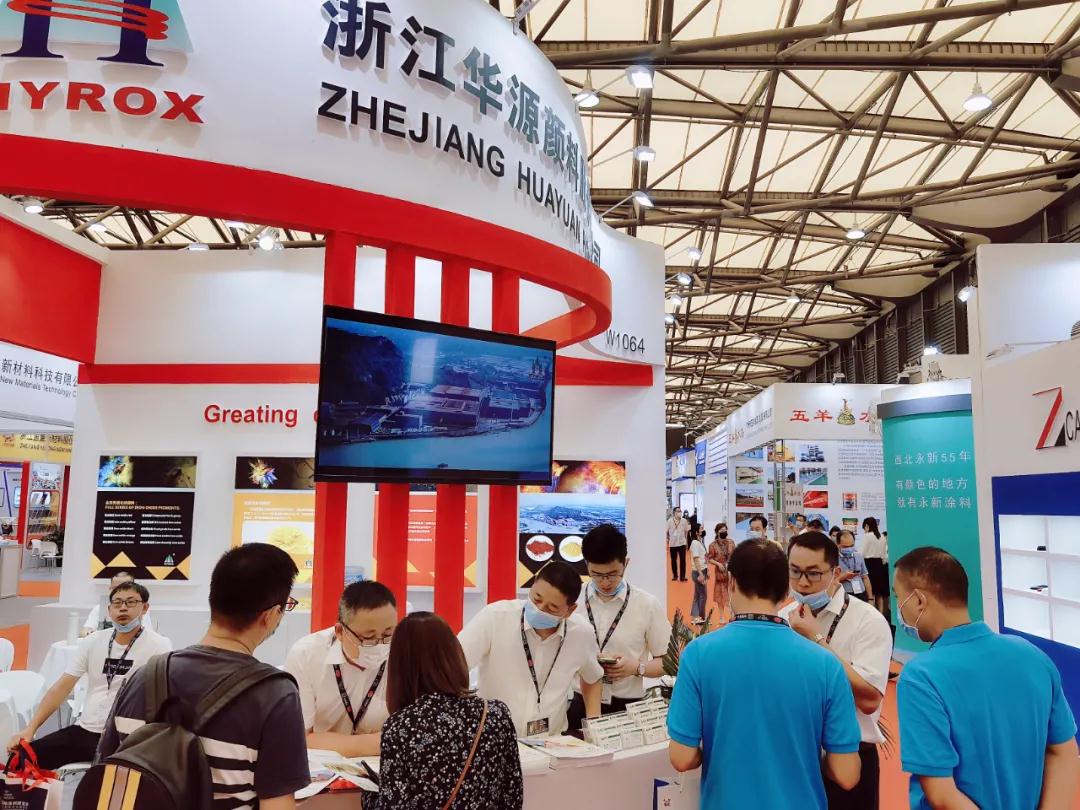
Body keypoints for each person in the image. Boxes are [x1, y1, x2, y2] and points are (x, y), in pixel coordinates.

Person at [98, 544, 310, 809]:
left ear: (213, 601)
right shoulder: (275, 695)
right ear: (269, 615)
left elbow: (105, 770)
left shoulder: (143, 675)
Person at [667, 539, 861, 808]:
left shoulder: (698, 655)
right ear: (785, 590)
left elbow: (682, 758)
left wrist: (713, 750)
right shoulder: (826, 664)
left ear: (731, 582)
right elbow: (847, 773)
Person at [895, 547, 1079, 810]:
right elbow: (1064, 752)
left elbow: (942, 794)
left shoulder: (921, 677)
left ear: (918, 601)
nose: (899, 610)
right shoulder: (1032, 655)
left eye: (898, 598)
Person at [363, 612, 522, 809]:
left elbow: (393, 806)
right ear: (455, 655)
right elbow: (512, 796)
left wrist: (368, 795)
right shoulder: (496, 714)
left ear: (400, 666)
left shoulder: (400, 727)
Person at [7, 581, 170, 770]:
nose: (123, 608)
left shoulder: (159, 645)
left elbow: (163, 697)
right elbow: (62, 688)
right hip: (87, 729)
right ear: (109, 610)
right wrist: (30, 729)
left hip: (128, 736)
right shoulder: (93, 641)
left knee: (114, 780)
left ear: (145, 608)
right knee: (19, 761)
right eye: (117, 603)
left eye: (131, 602)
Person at [782, 531, 893, 810]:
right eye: (794, 572)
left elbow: (869, 700)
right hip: (794, 754)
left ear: (835, 573)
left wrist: (816, 640)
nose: (802, 583)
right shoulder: (783, 618)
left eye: (813, 574)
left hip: (850, 757)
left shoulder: (867, 621)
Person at [458, 560, 604, 737]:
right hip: (493, 738)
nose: (540, 609)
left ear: (570, 610)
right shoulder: (495, 618)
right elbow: (452, 668)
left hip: (551, 741)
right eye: (537, 599)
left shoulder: (581, 633)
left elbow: (593, 677)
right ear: (533, 585)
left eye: (552, 608)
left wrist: (594, 728)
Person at [566, 524, 670, 732]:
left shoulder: (646, 605)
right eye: (597, 574)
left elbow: (669, 663)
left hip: (626, 708)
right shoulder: (573, 600)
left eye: (613, 574)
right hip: (578, 703)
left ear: (626, 563)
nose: (605, 582)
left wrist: (637, 668)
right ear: (586, 565)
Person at [284, 581, 396, 756]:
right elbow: (299, 737)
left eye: (388, 634)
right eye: (368, 637)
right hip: (320, 765)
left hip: (383, 765)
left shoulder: (405, 653)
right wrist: (380, 742)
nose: (379, 645)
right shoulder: (306, 655)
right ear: (340, 632)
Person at [82, 572, 154, 636]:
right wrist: (89, 634)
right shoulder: (99, 608)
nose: (120, 592)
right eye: (115, 589)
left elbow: (148, 633)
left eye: (125, 588)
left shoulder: (140, 608)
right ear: (110, 589)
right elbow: (85, 630)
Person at [705, 522, 735, 624]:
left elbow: (735, 554)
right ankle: (722, 616)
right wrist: (718, 564)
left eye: (725, 530)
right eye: (722, 531)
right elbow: (709, 558)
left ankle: (733, 614)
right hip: (720, 572)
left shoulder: (731, 542)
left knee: (731, 592)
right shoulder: (712, 545)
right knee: (721, 594)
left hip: (731, 571)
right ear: (717, 532)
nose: (724, 532)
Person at [860, 518, 889, 617]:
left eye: (864, 527)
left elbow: (862, 553)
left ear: (867, 526)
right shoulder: (882, 536)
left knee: (871, 592)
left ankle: (872, 616)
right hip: (879, 564)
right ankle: (881, 615)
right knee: (879, 593)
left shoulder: (867, 536)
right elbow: (884, 555)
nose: (864, 530)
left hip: (869, 564)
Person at [836, 530, 873, 603]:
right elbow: (830, 581)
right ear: (838, 544)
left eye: (851, 546)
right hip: (844, 594)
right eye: (845, 546)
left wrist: (870, 598)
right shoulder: (833, 559)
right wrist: (843, 577)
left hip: (861, 593)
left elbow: (865, 577)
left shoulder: (858, 556)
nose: (849, 548)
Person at [689, 527, 709, 624]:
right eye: (701, 528)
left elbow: (703, 557)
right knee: (703, 595)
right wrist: (701, 573)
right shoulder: (695, 543)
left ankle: (695, 617)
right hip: (698, 571)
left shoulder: (699, 542)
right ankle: (701, 617)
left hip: (701, 570)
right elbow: (696, 559)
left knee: (697, 594)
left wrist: (706, 570)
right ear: (696, 532)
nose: (702, 530)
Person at [665, 506, 690, 582]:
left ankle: (682, 577)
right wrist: (667, 539)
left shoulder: (684, 521)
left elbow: (686, 531)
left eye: (680, 511)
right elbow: (666, 531)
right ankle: (675, 575)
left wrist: (686, 542)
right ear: (674, 513)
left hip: (682, 543)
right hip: (673, 543)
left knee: (683, 560)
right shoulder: (669, 521)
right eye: (678, 511)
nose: (680, 512)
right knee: (673, 560)